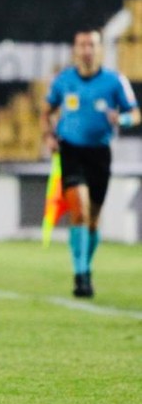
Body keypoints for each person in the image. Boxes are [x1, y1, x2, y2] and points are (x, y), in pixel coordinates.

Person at [40, 28, 140, 298]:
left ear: (100, 49)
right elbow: (46, 110)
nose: (87, 50)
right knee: (80, 210)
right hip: (71, 151)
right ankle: (81, 275)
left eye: (92, 45)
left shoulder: (114, 81)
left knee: (93, 219)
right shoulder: (63, 81)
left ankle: (87, 264)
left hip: (100, 153)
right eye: (82, 45)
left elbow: (135, 113)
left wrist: (123, 120)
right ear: (75, 49)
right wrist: (49, 135)